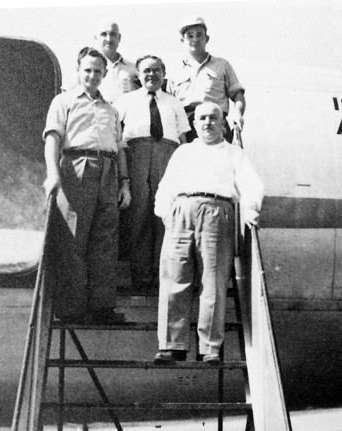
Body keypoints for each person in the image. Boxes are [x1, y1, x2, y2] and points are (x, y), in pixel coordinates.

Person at [153, 102, 263, 363]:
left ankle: (210, 348)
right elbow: (165, 186)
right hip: (181, 212)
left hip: (217, 212)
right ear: (194, 124)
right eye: (202, 118)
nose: (207, 123)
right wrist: (167, 214)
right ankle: (171, 345)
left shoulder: (234, 154)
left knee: (212, 282)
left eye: (213, 118)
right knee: (174, 276)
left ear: (223, 123)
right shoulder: (183, 152)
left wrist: (250, 212)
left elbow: (251, 185)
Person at [43, 47, 131, 324]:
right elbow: (52, 140)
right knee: (73, 237)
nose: (92, 75)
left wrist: (125, 183)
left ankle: (102, 307)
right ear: (79, 71)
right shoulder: (64, 101)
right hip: (76, 167)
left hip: (108, 170)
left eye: (98, 71)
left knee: (104, 240)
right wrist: (53, 174)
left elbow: (119, 148)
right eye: (87, 70)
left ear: (105, 74)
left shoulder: (111, 109)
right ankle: (72, 308)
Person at [113, 55, 191, 292]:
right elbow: (116, 136)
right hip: (136, 155)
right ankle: (141, 278)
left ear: (164, 73)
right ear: (138, 74)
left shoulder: (174, 103)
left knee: (164, 216)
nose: (151, 75)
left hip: (167, 156)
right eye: (146, 70)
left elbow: (184, 139)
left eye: (157, 70)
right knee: (138, 215)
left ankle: (162, 277)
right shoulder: (124, 101)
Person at [166, 16, 245, 143]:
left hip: (217, 124)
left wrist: (238, 114)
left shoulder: (222, 65)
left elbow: (238, 95)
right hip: (186, 129)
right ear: (182, 40)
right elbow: (169, 104)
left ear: (206, 38)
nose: (195, 39)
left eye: (199, 35)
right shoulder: (174, 71)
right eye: (190, 36)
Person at [93, 20, 139, 102]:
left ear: (119, 38)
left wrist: (135, 89)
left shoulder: (133, 68)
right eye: (104, 34)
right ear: (96, 38)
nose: (109, 39)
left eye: (113, 34)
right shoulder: (87, 68)